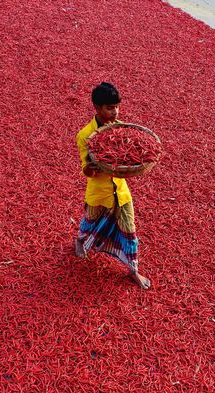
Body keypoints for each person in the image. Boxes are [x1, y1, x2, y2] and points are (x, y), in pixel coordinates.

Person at [74, 82, 150, 289]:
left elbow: (127, 159)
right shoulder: (85, 136)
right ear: (97, 108)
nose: (115, 112)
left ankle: (133, 270)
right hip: (99, 192)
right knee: (89, 222)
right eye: (109, 108)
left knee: (129, 229)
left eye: (117, 107)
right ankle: (80, 241)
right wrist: (93, 165)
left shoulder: (121, 129)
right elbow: (85, 170)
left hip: (121, 191)